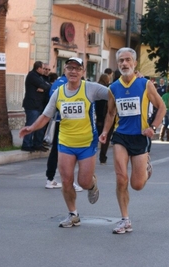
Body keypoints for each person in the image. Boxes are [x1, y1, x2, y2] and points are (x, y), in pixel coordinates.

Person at [19, 57, 110, 228]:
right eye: (69, 68)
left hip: (86, 142)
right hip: (65, 143)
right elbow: (46, 116)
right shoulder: (58, 92)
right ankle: (73, 214)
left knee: (83, 182)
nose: (73, 71)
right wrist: (30, 128)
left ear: (82, 72)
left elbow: (113, 93)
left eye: (77, 68)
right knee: (66, 180)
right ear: (65, 71)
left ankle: (92, 184)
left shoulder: (90, 88)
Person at [99, 47, 166, 234]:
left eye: (128, 60)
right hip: (121, 136)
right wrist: (105, 132)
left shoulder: (145, 85)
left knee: (137, 184)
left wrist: (153, 128)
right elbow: (111, 112)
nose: (124, 63)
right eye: (121, 61)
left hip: (140, 137)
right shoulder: (113, 88)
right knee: (121, 178)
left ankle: (146, 168)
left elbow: (162, 107)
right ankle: (125, 219)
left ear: (134, 63)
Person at [44, 73, 83, 192]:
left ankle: (50, 179)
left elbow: (51, 99)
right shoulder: (72, 84)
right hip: (69, 122)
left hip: (58, 120)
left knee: (55, 150)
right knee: (71, 152)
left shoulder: (56, 83)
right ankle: (70, 182)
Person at [21, 61, 51, 152]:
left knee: (39, 126)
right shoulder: (32, 76)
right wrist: (44, 87)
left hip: (38, 105)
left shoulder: (40, 77)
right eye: (43, 68)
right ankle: (26, 144)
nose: (44, 70)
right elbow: (45, 86)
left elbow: (47, 86)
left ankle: (37, 144)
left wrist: (44, 87)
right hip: (32, 105)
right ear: (38, 68)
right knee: (30, 125)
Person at [95, 73, 113, 165]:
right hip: (106, 116)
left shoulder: (96, 88)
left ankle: (90, 154)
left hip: (98, 116)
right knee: (106, 137)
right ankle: (102, 157)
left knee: (96, 136)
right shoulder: (107, 90)